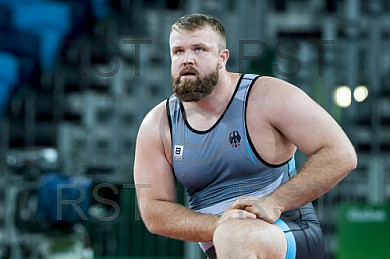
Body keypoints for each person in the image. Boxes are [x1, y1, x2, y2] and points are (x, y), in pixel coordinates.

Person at [133, 13, 357, 259]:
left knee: (234, 235)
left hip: (287, 234)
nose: (187, 59)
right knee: (230, 234)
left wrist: (275, 202)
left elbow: (341, 153)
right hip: (225, 244)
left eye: (199, 49)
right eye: (178, 52)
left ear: (222, 58)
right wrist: (218, 223)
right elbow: (153, 211)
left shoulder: (265, 96)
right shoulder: (158, 124)